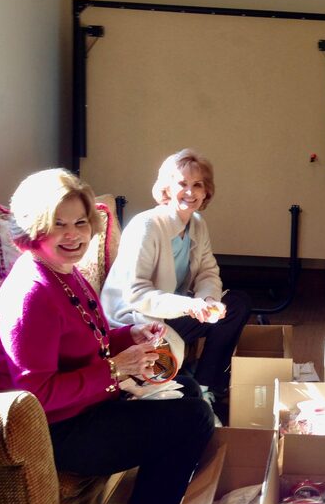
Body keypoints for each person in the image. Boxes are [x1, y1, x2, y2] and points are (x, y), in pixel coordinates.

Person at [0, 169, 215, 504]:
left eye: (79, 222)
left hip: (85, 407)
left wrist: (131, 335)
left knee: (189, 390)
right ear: (33, 229)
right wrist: (115, 370)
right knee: (191, 417)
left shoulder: (63, 273)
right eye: (56, 224)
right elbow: (35, 399)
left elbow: (87, 338)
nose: (72, 234)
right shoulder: (31, 296)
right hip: (56, 432)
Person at [101, 149, 251, 420]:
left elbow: (208, 271)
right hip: (136, 319)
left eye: (198, 185)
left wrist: (207, 302)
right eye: (182, 184)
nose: (190, 192)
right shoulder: (146, 226)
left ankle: (206, 387)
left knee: (237, 304)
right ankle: (189, 392)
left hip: (175, 310)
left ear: (207, 192)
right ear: (167, 188)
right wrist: (189, 305)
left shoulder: (196, 223)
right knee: (165, 380)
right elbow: (135, 294)